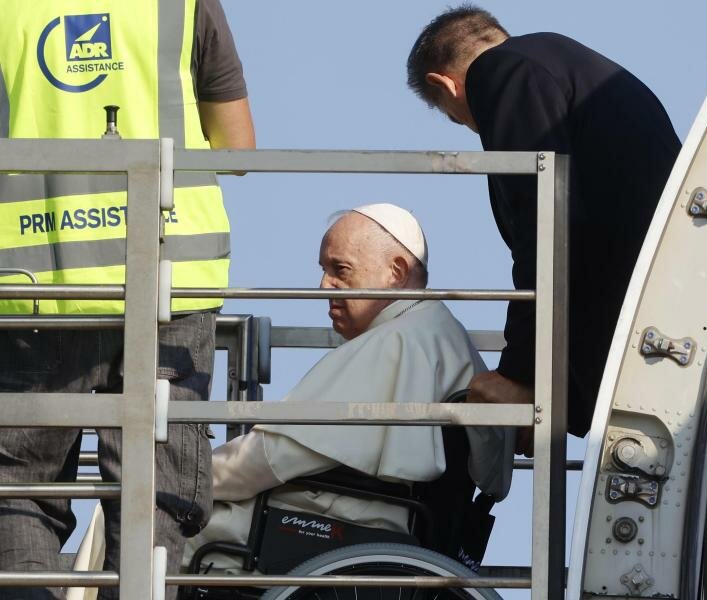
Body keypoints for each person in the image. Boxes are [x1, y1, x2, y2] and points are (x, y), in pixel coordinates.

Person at [0, 1, 255, 599]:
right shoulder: (184, 4)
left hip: (41, 280)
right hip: (169, 278)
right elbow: (237, 149)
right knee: (155, 483)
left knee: (17, 487)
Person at [406, 5, 681, 449]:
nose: (474, 127)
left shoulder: (501, 71)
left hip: (631, 319)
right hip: (659, 298)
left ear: (445, 84)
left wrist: (516, 374)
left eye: (459, 118)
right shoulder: (562, 63)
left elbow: (544, 226)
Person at [182, 204, 514, 570]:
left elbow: (271, 456)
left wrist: (189, 481)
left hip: (332, 526)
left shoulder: (399, 341)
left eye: (340, 269)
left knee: (159, 530)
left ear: (396, 272)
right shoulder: (437, 332)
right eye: (323, 270)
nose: (324, 285)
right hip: (366, 525)